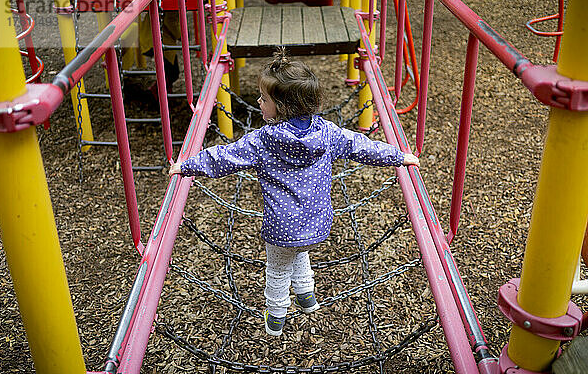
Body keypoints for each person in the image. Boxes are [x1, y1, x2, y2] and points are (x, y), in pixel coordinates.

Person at [169, 49, 420, 336]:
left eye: (264, 100)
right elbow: (360, 146)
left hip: (281, 228)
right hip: (317, 224)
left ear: (283, 107)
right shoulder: (327, 132)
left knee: (278, 269)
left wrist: (185, 167)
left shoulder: (262, 141)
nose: (259, 103)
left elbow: (225, 157)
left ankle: (275, 316)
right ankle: (307, 296)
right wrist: (398, 156)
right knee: (300, 250)